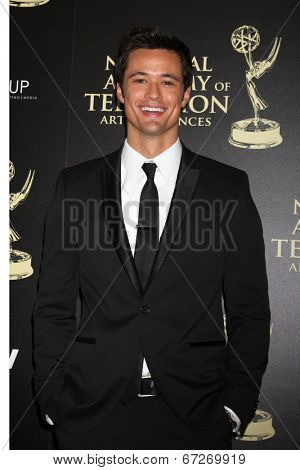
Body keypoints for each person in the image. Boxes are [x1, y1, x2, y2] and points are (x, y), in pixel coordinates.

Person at [33, 26, 271, 450]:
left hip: (197, 415)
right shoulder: (76, 186)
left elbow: (249, 309)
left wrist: (235, 404)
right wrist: (53, 396)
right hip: (89, 413)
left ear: (186, 94)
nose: (153, 95)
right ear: (120, 92)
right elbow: (53, 305)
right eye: (139, 79)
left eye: (168, 81)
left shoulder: (227, 186)